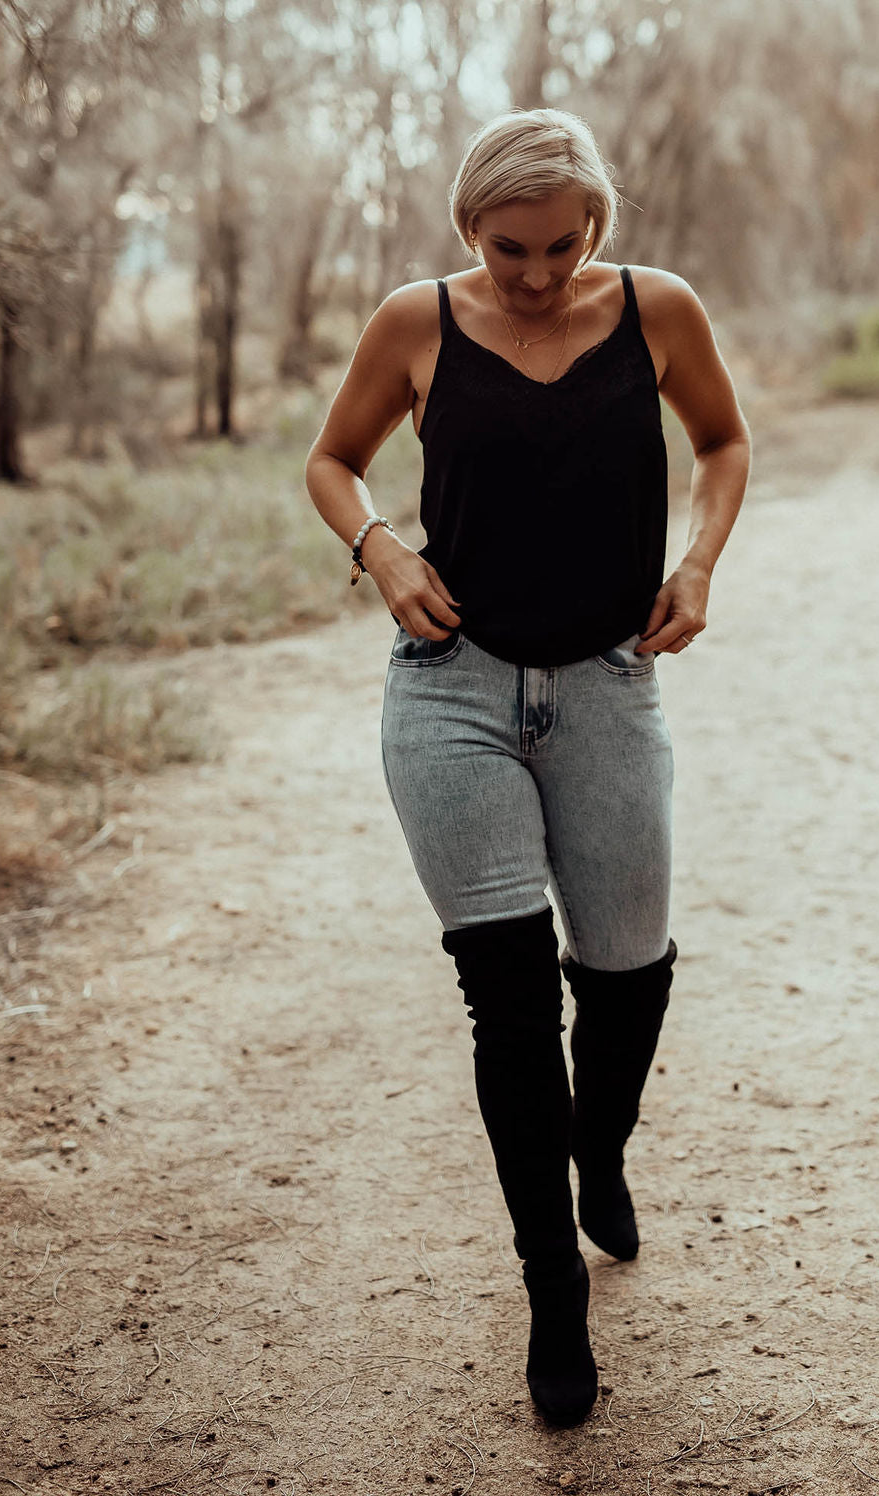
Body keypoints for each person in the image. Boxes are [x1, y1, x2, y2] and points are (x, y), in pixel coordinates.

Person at [305, 107, 750, 1427]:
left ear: (597, 230)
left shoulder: (659, 311)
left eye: (564, 247)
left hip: (612, 683)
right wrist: (381, 551)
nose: (540, 274)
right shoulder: (414, 324)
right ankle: (554, 1301)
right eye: (511, 250)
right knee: (509, 1005)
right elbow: (332, 462)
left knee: (625, 970)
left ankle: (597, 1148)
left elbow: (724, 446)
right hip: (454, 693)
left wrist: (698, 563)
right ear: (468, 232)